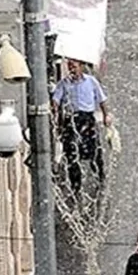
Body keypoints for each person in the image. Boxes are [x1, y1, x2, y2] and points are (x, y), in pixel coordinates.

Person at [50, 58, 111, 193]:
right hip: (71, 119)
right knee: (71, 152)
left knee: (94, 149)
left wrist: (107, 115)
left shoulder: (91, 81)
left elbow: (102, 100)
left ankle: (100, 178)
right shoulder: (64, 83)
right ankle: (75, 185)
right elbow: (55, 101)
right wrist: (54, 110)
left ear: (81, 66)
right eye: (70, 66)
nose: (72, 69)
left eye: (75, 66)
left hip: (87, 118)